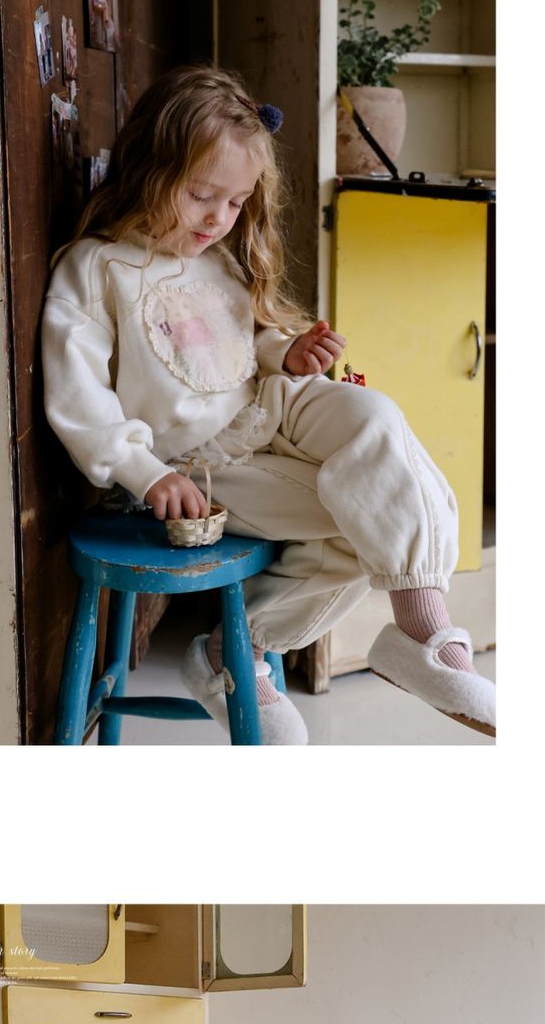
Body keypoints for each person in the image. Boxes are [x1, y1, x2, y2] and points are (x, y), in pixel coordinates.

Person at [40, 64, 495, 741]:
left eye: (235, 202)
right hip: (201, 464)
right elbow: (80, 398)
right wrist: (147, 473)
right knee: (362, 512)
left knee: (375, 418)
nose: (219, 219)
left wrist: (286, 353)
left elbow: (239, 340)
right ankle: (237, 649)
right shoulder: (95, 268)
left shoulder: (218, 258)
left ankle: (424, 628)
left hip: (272, 406)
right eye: (202, 195)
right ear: (148, 170)